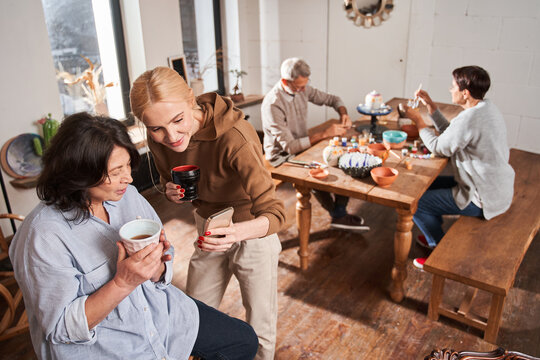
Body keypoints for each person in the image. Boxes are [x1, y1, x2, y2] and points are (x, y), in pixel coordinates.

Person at [9, 113, 258, 360]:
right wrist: (122, 283)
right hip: (109, 346)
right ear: (78, 172)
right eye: (116, 171)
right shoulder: (42, 236)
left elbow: (164, 264)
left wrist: (158, 267)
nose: (128, 179)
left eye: (128, 165)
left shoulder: (127, 196)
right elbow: (61, 329)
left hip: (161, 314)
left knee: (243, 340)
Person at [130, 67, 286, 360]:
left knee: (260, 321)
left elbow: (276, 212)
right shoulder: (159, 136)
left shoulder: (235, 136)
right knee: (191, 314)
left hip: (252, 229)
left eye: (178, 120)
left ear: (191, 99)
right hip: (208, 226)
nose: (171, 136)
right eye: (156, 129)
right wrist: (169, 191)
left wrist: (237, 232)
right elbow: (168, 179)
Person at [401, 66, 515, 269]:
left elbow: (439, 146)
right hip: (495, 187)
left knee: (415, 204)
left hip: (482, 196)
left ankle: (440, 253)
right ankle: (432, 231)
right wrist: (430, 106)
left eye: (453, 86)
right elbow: (452, 134)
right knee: (425, 188)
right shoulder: (486, 108)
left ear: (465, 93)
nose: (450, 89)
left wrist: (418, 120)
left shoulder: (470, 118)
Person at [261, 57, 369, 232]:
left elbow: (334, 99)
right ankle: (338, 214)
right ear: (284, 82)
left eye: (305, 85)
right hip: (282, 155)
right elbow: (290, 147)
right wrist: (325, 134)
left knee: (343, 157)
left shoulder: (302, 89)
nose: (304, 90)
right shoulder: (272, 105)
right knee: (319, 169)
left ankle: (339, 212)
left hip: (302, 144)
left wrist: (344, 114)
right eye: (299, 86)